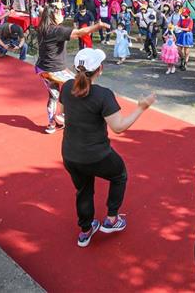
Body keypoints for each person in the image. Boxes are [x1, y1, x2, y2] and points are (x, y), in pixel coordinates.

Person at [60, 48, 156, 247]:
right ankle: (112, 219)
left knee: (83, 190)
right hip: (97, 155)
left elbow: (60, 112)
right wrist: (141, 107)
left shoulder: (67, 86)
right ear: (100, 69)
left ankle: (85, 231)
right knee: (119, 175)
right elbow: (118, 127)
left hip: (70, 154)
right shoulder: (103, 95)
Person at [35, 2, 109, 134]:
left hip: (44, 68)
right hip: (53, 70)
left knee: (54, 95)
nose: (62, 14)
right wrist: (98, 26)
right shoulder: (56, 31)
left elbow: (44, 11)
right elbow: (80, 33)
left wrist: (50, 7)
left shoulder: (43, 27)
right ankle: (65, 116)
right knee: (79, 86)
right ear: (52, 15)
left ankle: (53, 123)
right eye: (59, 12)